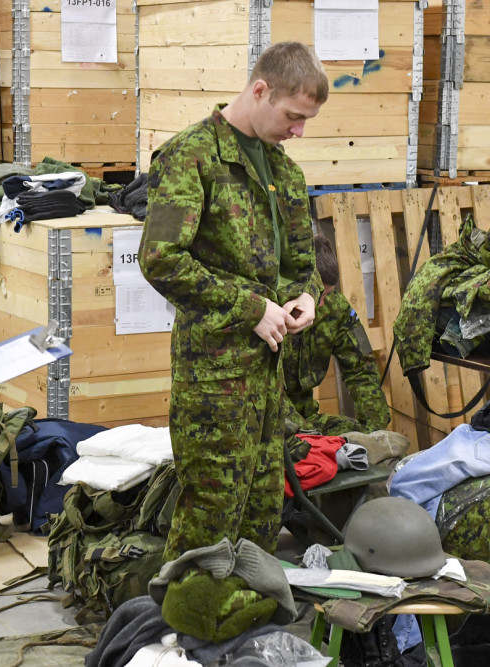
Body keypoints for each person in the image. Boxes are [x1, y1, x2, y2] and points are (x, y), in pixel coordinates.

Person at [138, 41, 328, 560]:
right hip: (214, 377)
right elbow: (159, 259)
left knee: (263, 511)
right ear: (260, 90)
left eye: (306, 121)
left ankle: (246, 629)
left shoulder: (283, 172)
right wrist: (251, 308)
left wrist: (306, 296)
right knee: (211, 516)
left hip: (270, 376)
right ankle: (186, 631)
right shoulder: (191, 156)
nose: (299, 131)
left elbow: (300, 263)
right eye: (293, 116)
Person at [283, 233, 391, 435]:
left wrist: (374, 433)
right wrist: (310, 436)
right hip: (269, 427)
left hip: (308, 420)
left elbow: (362, 369)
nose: (322, 303)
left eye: (328, 294)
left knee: (358, 437)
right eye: (318, 294)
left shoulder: (337, 309)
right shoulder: (272, 313)